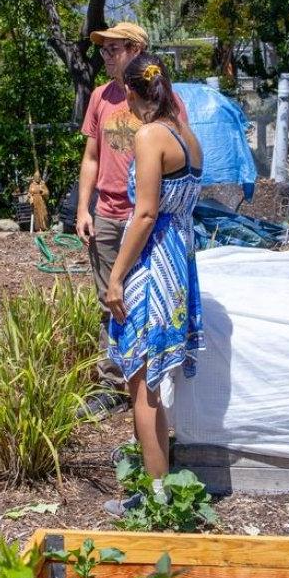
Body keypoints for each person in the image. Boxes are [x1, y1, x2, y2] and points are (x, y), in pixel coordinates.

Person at [102, 53, 204, 516]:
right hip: (180, 259)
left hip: (152, 259)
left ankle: (155, 497)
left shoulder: (149, 136)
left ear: (134, 94)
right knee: (153, 380)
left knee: (140, 381)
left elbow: (144, 214)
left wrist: (116, 277)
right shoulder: (188, 134)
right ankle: (161, 486)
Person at [76, 21, 151, 417]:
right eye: (103, 51)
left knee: (147, 297)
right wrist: (82, 208)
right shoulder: (101, 97)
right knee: (109, 298)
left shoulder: (160, 98)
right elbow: (91, 157)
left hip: (146, 216)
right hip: (107, 213)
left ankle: (149, 380)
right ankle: (111, 385)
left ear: (136, 50)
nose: (106, 57)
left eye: (113, 49)